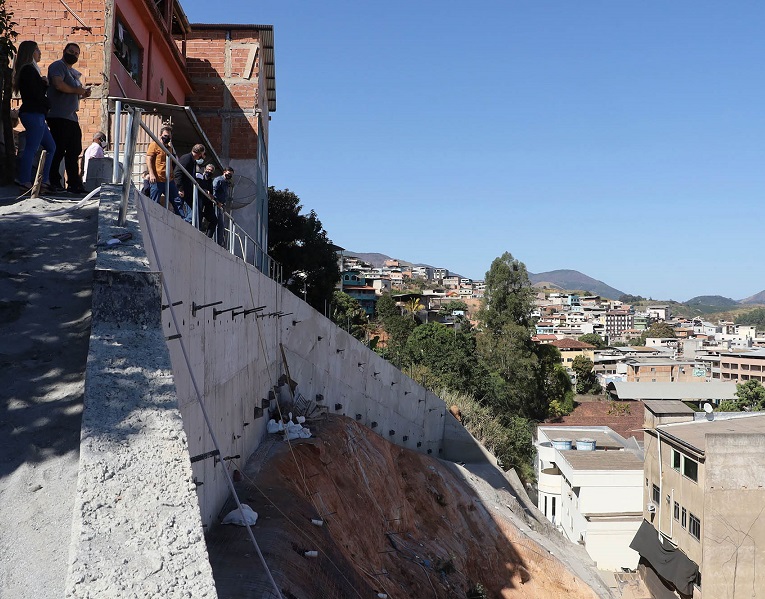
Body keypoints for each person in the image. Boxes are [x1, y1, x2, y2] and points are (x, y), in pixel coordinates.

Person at [12, 40, 56, 193]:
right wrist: (44, 86)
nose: (40, 53)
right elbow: (35, 95)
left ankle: (43, 180)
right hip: (33, 114)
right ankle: (24, 180)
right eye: (37, 50)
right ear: (30, 52)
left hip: (36, 114)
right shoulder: (28, 70)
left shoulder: (30, 70)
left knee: (51, 147)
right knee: (32, 147)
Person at [47, 43, 91, 194]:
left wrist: (82, 94)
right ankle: (53, 181)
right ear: (64, 51)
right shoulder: (58, 66)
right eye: (71, 51)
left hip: (71, 117)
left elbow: (73, 93)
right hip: (58, 115)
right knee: (58, 149)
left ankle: (74, 183)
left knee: (74, 150)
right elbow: (58, 85)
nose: (74, 55)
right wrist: (77, 90)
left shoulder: (73, 72)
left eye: (76, 53)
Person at [145, 125, 185, 217]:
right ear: (160, 135)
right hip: (157, 179)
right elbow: (149, 159)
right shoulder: (154, 145)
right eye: (165, 135)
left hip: (169, 180)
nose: (167, 138)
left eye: (169, 136)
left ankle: (182, 219)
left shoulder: (169, 148)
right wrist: (151, 174)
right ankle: (152, 218)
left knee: (177, 200)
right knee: (154, 201)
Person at [173, 143, 206, 223]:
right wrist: (180, 188)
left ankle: (185, 222)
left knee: (194, 210)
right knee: (180, 208)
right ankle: (184, 222)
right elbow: (178, 172)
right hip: (182, 189)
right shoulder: (187, 158)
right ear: (199, 153)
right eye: (202, 154)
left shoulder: (192, 160)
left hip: (188, 190)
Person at [212, 167, 234, 245]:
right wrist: (217, 201)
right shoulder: (219, 180)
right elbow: (213, 190)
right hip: (215, 204)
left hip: (220, 206)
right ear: (224, 172)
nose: (230, 176)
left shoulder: (226, 183)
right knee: (218, 223)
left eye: (231, 174)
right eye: (229, 173)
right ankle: (216, 241)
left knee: (221, 225)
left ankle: (219, 242)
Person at [197, 163, 218, 238]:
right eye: (208, 169)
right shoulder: (199, 176)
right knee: (198, 215)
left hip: (207, 203)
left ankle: (208, 237)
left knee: (214, 220)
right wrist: (205, 190)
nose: (209, 171)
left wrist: (216, 200)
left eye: (211, 170)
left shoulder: (210, 181)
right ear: (205, 169)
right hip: (199, 199)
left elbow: (211, 194)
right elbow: (197, 185)